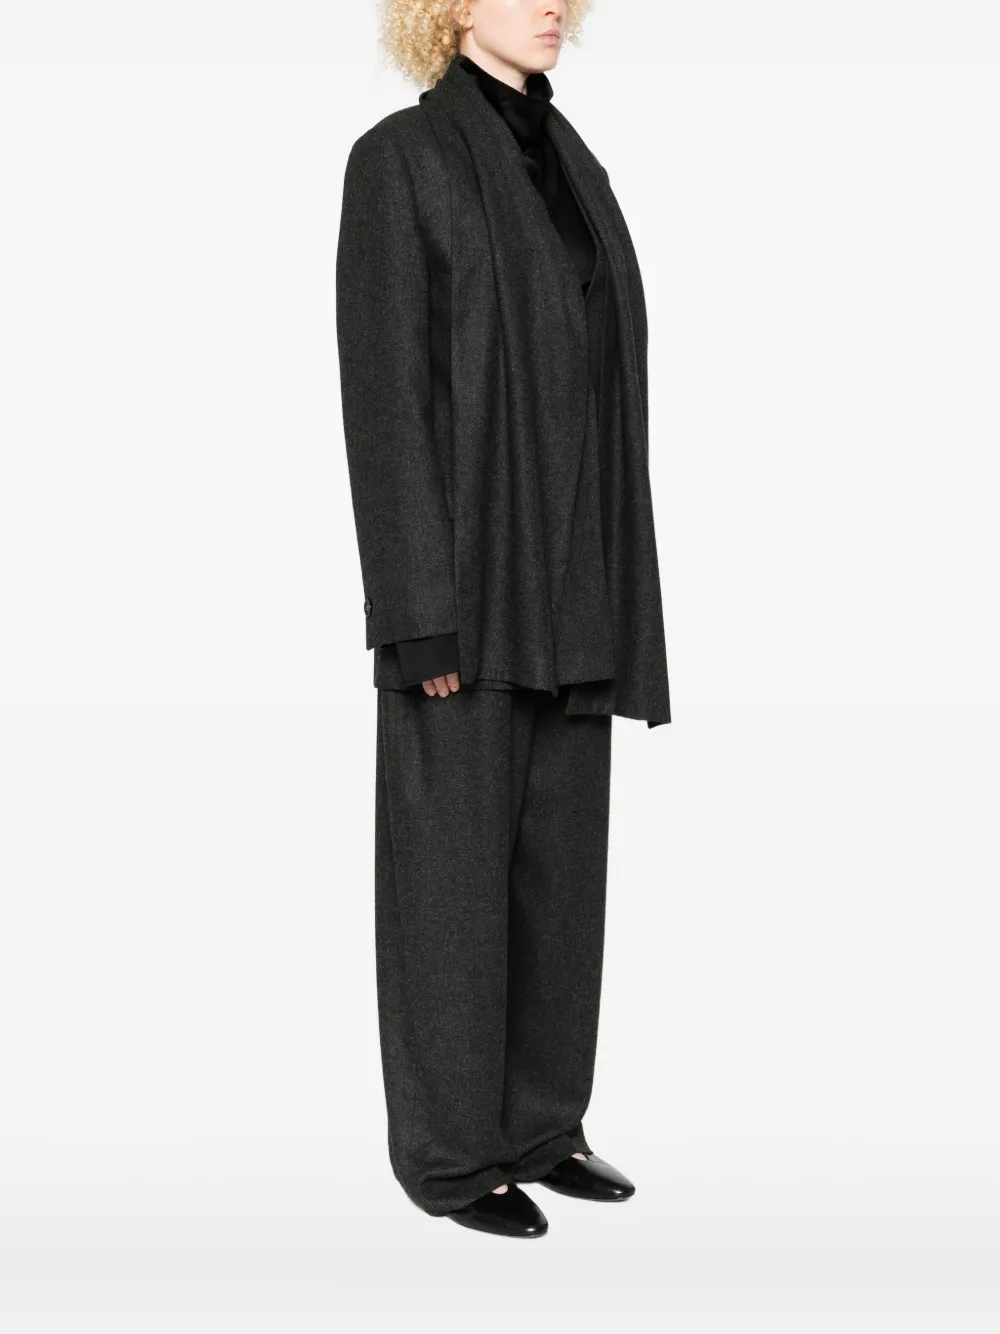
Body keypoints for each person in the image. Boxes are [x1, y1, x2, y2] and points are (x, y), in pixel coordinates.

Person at [336, 0, 672, 1239]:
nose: (551, 5)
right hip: (465, 589)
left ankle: (540, 1124)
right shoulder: (400, 160)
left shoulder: (571, 163)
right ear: (448, 7)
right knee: (451, 884)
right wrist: (416, 615)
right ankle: (450, 1154)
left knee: (558, 875)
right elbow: (385, 397)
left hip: (575, 575)